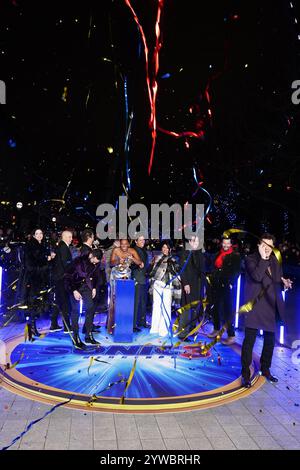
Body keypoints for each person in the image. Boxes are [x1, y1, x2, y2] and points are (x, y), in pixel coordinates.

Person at [241, 233, 293, 387]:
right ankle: (245, 374)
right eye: (264, 245)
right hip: (255, 307)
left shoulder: (275, 260)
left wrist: (284, 283)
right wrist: (263, 259)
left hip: (270, 306)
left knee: (269, 342)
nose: (267, 249)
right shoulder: (250, 259)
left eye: (270, 246)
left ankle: (266, 369)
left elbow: (276, 280)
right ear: (259, 245)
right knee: (249, 342)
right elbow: (257, 276)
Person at [64, 249, 103, 349]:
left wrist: (94, 287)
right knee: (75, 311)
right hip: (74, 286)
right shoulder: (78, 261)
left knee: (90, 307)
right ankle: (75, 337)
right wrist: (74, 290)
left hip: (86, 287)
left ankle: (88, 334)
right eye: (94, 261)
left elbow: (96, 276)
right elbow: (68, 276)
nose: (95, 263)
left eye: (96, 262)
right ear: (91, 256)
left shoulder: (95, 263)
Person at [207, 237, 241, 345]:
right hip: (216, 284)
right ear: (222, 243)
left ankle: (231, 335)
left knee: (227, 310)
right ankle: (216, 329)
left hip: (226, 285)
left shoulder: (235, 256)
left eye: (228, 243)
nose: (225, 245)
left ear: (231, 244)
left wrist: (231, 283)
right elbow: (214, 266)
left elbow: (237, 271)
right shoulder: (218, 253)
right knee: (215, 308)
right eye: (224, 243)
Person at [21, 228, 55, 336]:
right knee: (33, 304)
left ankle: (32, 327)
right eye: (37, 233)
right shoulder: (31, 246)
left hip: (40, 279)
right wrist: (47, 259)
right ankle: (31, 328)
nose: (39, 235)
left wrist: (48, 258)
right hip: (33, 279)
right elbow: (32, 264)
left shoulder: (42, 245)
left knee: (37, 304)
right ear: (34, 235)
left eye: (41, 233)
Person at [107, 239, 143, 334]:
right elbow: (111, 263)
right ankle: (112, 327)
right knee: (114, 301)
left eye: (125, 244)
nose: (123, 246)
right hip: (115, 277)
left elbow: (140, 262)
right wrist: (118, 260)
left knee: (125, 301)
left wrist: (132, 258)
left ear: (128, 244)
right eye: (122, 244)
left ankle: (125, 325)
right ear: (120, 244)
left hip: (126, 277)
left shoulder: (132, 251)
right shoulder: (116, 250)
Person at [149, 241, 181, 337]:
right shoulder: (157, 258)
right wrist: (152, 283)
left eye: (166, 247)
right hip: (157, 284)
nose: (165, 249)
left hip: (168, 285)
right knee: (156, 306)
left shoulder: (173, 260)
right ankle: (155, 328)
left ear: (170, 249)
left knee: (166, 306)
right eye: (163, 247)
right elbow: (152, 272)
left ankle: (164, 330)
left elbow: (177, 274)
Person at [178, 236, 205, 340]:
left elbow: (202, 270)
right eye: (194, 240)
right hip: (188, 284)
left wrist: (203, 286)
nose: (196, 243)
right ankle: (182, 333)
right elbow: (183, 270)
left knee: (195, 308)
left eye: (197, 241)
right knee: (187, 307)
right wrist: (185, 283)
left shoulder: (199, 253)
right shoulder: (185, 253)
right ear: (189, 241)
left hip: (198, 285)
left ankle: (191, 330)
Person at [80, 228, 103, 333]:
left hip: (92, 282)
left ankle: (89, 325)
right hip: (90, 283)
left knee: (92, 306)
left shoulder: (89, 249)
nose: (94, 238)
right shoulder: (86, 251)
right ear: (89, 237)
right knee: (91, 306)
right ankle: (87, 328)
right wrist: (93, 286)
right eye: (93, 237)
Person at [51, 230, 73, 332]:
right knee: (64, 302)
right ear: (63, 237)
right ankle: (67, 326)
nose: (71, 239)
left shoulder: (61, 246)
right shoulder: (64, 247)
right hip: (62, 278)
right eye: (69, 237)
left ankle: (54, 324)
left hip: (58, 278)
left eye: (71, 237)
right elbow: (66, 264)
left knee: (59, 301)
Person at [131, 235, 149, 332]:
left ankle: (142, 322)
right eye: (140, 240)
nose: (142, 241)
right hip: (137, 278)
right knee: (136, 302)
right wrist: (138, 265)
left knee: (142, 302)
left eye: (143, 240)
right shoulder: (134, 250)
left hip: (143, 279)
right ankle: (133, 325)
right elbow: (131, 264)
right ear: (136, 241)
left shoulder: (143, 250)